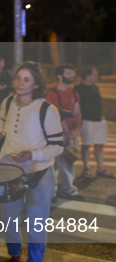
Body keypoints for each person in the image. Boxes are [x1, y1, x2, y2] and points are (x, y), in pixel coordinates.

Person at [0, 61, 64, 262]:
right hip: (10, 172)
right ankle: (15, 258)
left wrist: (32, 154)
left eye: (26, 79)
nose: (20, 83)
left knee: (36, 222)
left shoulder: (46, 109)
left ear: (36, 84)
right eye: (18, 77)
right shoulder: (7, 101)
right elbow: (1, 118)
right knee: (9, 219)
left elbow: (58, 146)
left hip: (39, 172)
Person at [45, 64, 86, 201]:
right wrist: (68, 133)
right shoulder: (52, 93)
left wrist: (75, 130)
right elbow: (57, 114)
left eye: (72, 73)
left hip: (70, 134)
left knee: (68, 162)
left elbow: (77, 113)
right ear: (59, 76)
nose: (72, 76)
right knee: (53, 164)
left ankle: (68, 189)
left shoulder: (74, 93)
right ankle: (51, 192)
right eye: (68, 73)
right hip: (56, 134)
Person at [74, 67, 114, 178]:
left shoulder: (95, 88)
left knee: (100, 145)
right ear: (88, 76)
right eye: (95, 75)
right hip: (87, 121)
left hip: (100, 120)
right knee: (86, 145)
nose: (97, 77)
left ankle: (101, 169)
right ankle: (86, 168)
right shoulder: (78, 89)